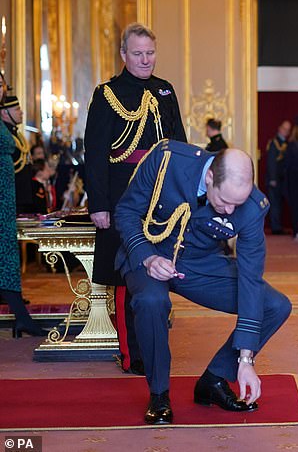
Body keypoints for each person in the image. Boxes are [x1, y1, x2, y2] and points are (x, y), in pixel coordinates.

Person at [114, 140, 291, 425]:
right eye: (225, 202)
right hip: (152, 250)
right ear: (210, 177)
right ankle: (159, 394)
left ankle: (215, 378)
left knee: (275, 305)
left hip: (199, 263)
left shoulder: (253, 206)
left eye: (238, 204)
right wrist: (147, 257)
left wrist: (246, 359)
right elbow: (126, 212)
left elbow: (250, 278)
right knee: (151, 301)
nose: (231, 211)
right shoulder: (167, 160)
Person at [84, 22, 187, 375]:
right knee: (127, 276)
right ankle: (134, 355)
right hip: (121, 197)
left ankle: (156, 342)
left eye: (150, 53)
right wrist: (98, 203)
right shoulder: (107, 93)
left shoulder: (166, 91)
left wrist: (184, 197)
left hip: (161, 200)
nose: (145, 60)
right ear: (124, 55)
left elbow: (180, 149)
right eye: (138, 53)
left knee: (160, 269)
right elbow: (94, 152)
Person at [0, 80, 46, 337]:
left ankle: (21, 317)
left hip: (6, 199)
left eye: (0, 84)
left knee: (6, 256)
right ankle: (22, 318)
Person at [0, 95, 33, 214]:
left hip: (23, 196)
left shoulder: (18, 136)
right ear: (4, 113)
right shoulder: (6, 136)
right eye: (17, 109)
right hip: (12, 196)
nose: (21, 112)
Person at [265, 119, 291, 234]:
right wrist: (272, 178)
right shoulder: (274, 143)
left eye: (288, 130)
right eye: (285, 129)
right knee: (275, 203)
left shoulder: (286, 143)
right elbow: (271, 162)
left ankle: (278, 226)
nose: (286, 131)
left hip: (283, 179)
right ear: (279, 128)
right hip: (274, 179)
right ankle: (275, 227)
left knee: (280, 204)